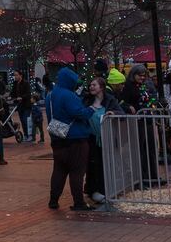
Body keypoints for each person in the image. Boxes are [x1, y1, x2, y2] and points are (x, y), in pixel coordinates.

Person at [46, 67, 93, 210]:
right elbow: (79, 113)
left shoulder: (50, 95)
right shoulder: (69, 95)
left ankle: (53, 200)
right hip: (75, 138)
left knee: (59, 170)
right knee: (77, 171)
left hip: (57, 137)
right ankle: (79, 202)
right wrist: (92, 109)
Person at [82, 75, 119, 204]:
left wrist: (113, 113)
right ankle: (93, 189)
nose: (91, 87)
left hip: (106, 138)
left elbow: (121, 112)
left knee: (105, 164)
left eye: (94, 85)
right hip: (91, 138)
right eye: (90, 85)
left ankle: (104, 189)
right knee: (93, 164)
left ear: (101, 87)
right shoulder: (86, 100)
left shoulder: (110, 100)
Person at [10, 70, 33, 143]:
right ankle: (26, 135)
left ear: (21, 75)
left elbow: (28, 94)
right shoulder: (15, 83)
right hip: (19, 106)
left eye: (16, 75)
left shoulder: (26, 83)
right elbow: (12, 93)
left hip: (26, 105)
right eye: (14, 75)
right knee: (22, 121)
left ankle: (30, 136)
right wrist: (10, 97)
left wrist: (22, 97)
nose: (15, 77)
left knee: (26, 120)